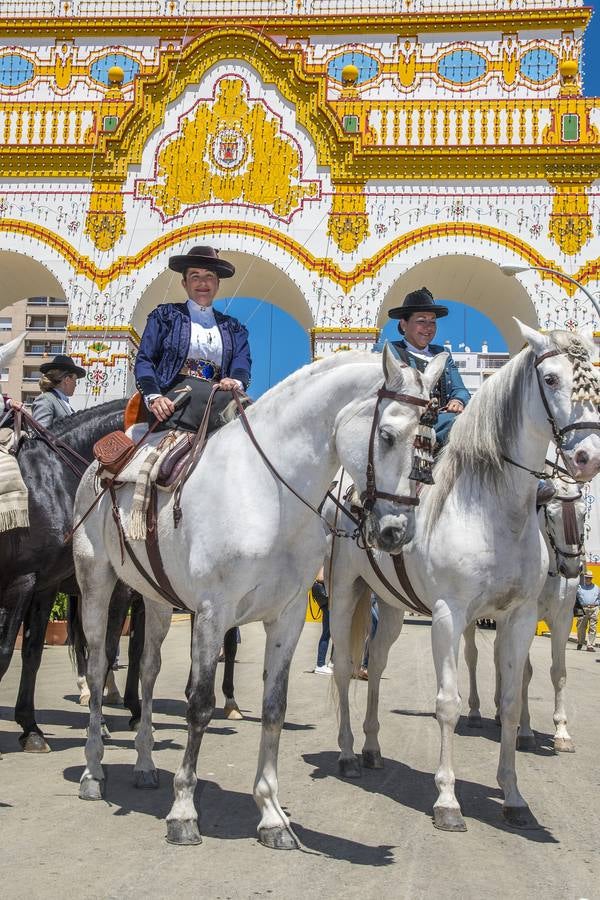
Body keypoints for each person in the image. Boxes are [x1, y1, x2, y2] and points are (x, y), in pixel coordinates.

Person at [134, 245, 251, 434]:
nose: (202, 283)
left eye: (209, 276)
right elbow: (144, 360)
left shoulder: (233, 328)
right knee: (236, 407)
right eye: (195, 276)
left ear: (218, 283)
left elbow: (241, 363)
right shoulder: (165, 316)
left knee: (246, 406)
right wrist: (154, 397)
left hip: (218, 394)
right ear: (184, 283)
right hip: (175, 396)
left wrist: (235, 382)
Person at [382, 287, 470, 446]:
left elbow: (460, 389)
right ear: (403, 324)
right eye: (421, 321)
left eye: (432, 322)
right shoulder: (390, 351)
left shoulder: (443, 353)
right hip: (405, 422)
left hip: (442, 421)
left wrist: (458, 400)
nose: (428, 327)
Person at [31, 354, 86, 428]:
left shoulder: (63, 401)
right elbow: (40, 435)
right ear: (67, 380)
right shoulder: (46, 399)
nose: (76, 385)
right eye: (75, 380)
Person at [312, 568, 333, 674]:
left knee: (333, 632)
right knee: (327, 632)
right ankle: (320, 664)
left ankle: (332, 662)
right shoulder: (326, 561)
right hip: (328, 600)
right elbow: (320, 577)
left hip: (329, 599)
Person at [575, 570, 599, 652]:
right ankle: (580, 642)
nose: (588, 579)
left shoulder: (596, 588)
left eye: (590, 578)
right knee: (581, 627)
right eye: (587, 578)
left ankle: (590, 645)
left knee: (593, 628)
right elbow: (576, 599)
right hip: (583, 609)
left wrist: (598, 608)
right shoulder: (579, 587)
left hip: (594, 609)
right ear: (584, 578)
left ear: (591, 578)